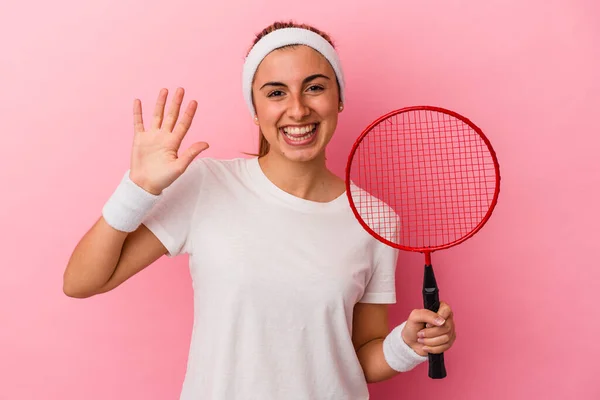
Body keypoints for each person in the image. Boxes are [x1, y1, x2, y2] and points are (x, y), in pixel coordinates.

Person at [63, 21, 456, 400]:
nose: (298, 109)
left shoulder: (376, 218)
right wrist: (139, 189)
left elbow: (358, 357)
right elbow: (81, 282)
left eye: (314, 87)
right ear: (255, 108)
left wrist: (408, 345)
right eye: (276, 93)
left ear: (338, 98)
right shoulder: (207, 184)